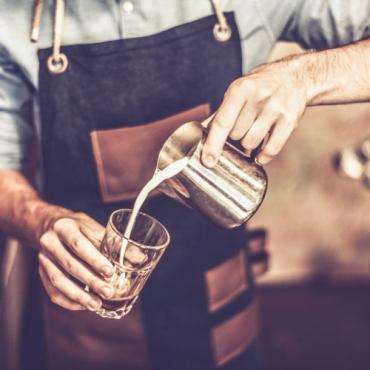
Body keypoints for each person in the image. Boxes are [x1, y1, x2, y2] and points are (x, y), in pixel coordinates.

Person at [0, 1, 370, 370]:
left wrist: (302, 76)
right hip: (81, 328)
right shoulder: (11, 18)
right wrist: (42, 221)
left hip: (218, 318)